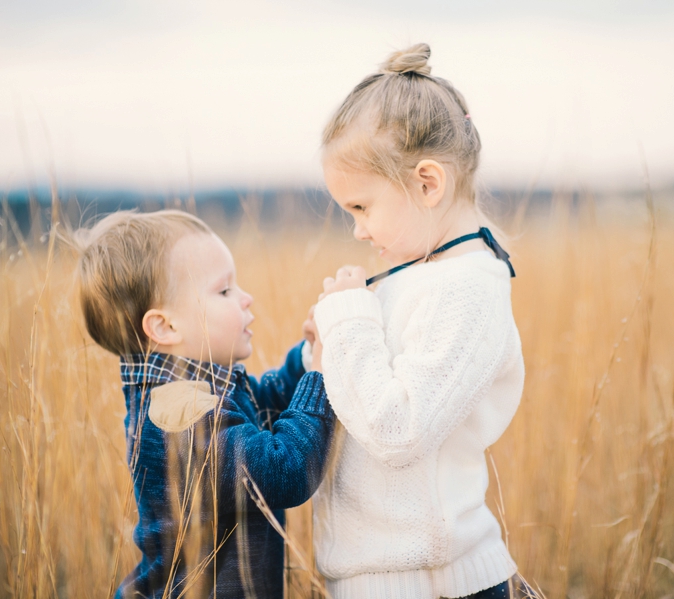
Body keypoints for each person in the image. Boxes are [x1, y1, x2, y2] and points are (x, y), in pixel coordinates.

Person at [312, 44, 533, 599]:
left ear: (428, 183)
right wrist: (328, 347)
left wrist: (348, 327)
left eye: (362, 207)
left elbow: (397, 429)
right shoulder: (422, 277)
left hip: (433, 583)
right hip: (389, 579)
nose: (358, 231)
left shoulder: (466, 289)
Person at [73, 209, 335, 599]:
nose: (246, 298)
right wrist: (322, 372)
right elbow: (285, 471)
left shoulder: (191, 393)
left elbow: (263, 409)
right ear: (165, 327)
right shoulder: (178, 417)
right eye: (224, 291)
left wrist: (310, 355)